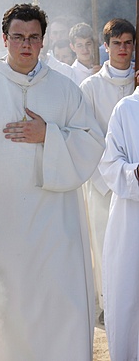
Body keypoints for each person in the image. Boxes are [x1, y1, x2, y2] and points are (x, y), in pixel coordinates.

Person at [0, 3, 104, 360]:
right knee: (6, 309)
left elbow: (92, 142)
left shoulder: (65, 91)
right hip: (0, 224)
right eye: (18, 37)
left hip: (54, 227)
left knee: (57, 305)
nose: (25, 45)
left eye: (33, 38)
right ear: (4, 39)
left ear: (43, 41)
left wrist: (49, 135)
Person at [80, 18, 136, 325]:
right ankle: (107, 303)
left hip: (136, 180)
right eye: (117, 43)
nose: (123, 49)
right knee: (104, 245)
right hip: (103, 182)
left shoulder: (137, 81)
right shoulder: (90, 87)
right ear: (105, 47)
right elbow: (86, 134)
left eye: (128, 43)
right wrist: (107, 177)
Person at [99, 82, 139, 361]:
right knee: (129, 299)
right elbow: (109, 165)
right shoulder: (126, 110)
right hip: (131, 223)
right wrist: (135, 174)